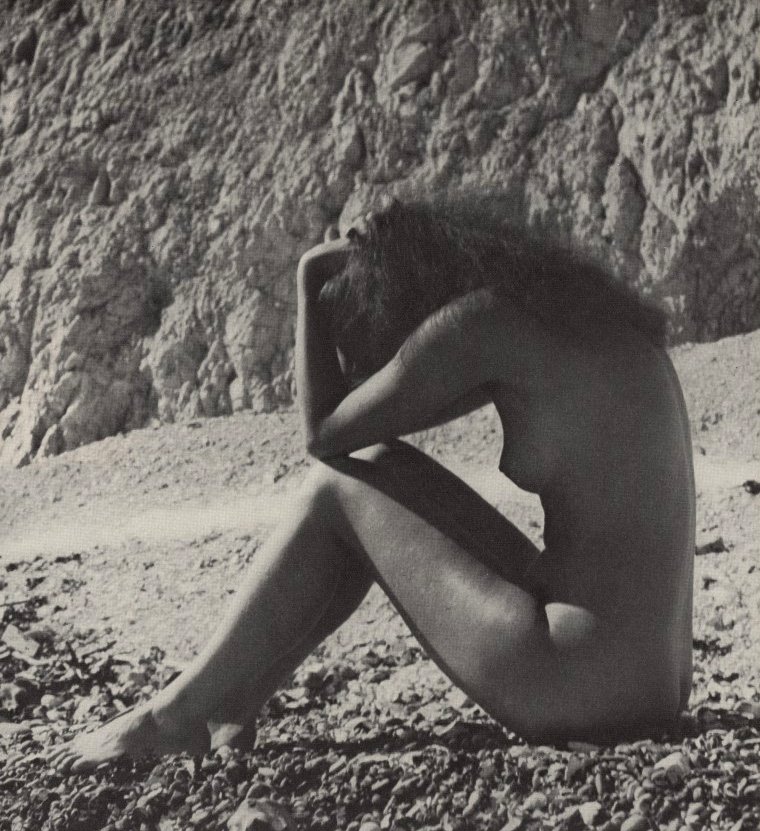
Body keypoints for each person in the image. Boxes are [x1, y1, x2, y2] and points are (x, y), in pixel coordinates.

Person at [49, 193, 695, 774]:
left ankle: (181, 714)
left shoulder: (486, 323)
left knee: (338, 486)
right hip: (654, 684)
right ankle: (231, 699)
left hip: (576, 683)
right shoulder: (585, 325)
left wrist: (311, 280)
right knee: (380, 467)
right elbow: (381, 429)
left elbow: (326, 432)